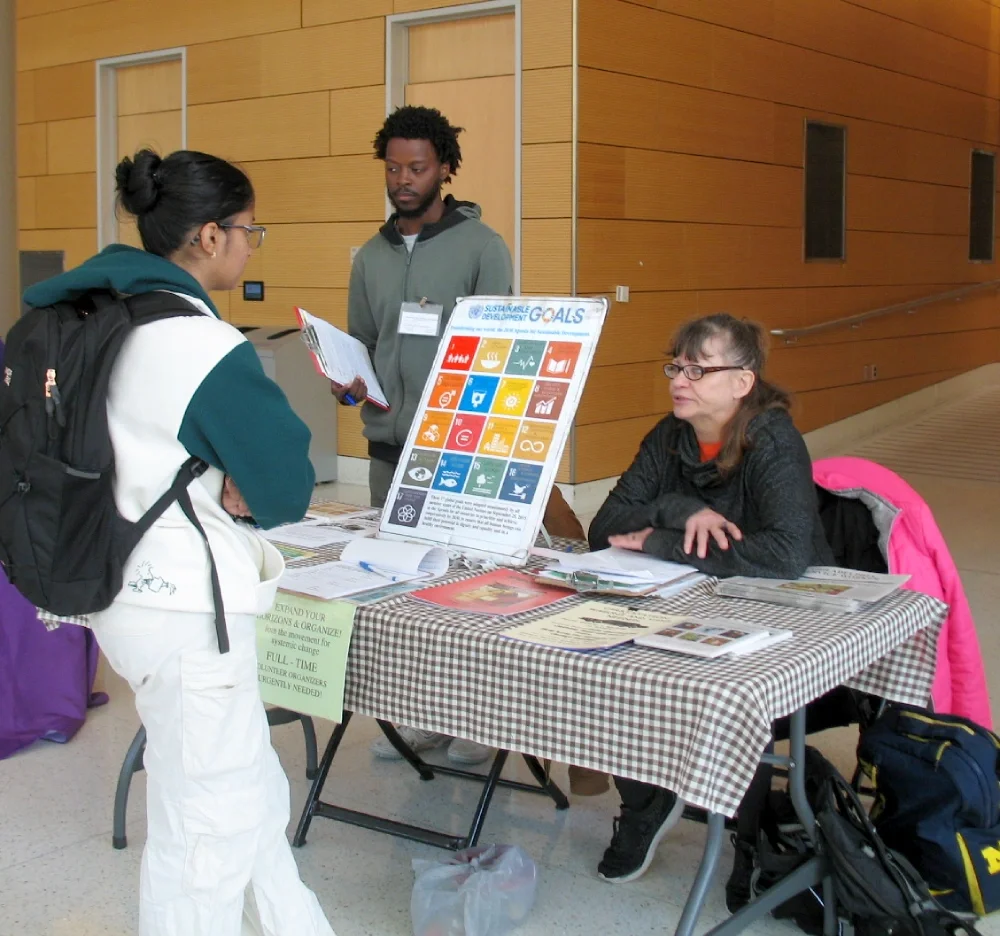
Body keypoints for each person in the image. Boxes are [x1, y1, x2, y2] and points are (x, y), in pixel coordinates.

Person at [21, 149, 336, 936]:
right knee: (206, 831)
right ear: (206, 235)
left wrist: (229, 470)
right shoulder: (200, 346)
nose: (248, 244)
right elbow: (286, 487)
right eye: (246, 230)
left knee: (239, 786)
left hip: (114, 581)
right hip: (187, 606)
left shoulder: (87, 311)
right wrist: (239, 476)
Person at [587, 313, 834, 896]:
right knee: (611, 666)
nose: (681, 379)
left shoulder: (772, 439)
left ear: (741, 382)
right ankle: (646, 804)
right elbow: (604, 526)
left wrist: (662, 541)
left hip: (773, 609)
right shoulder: (669, 435)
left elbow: (785, 555)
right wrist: (678, 510)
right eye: (677, 365)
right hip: (682, 597)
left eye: (700, 369)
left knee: (734, 698)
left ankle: (747, 842)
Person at [330, 105, 513, 767]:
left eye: (418, 167)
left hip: (457, 451)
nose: (404, 180)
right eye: (394, 167)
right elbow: (364, 342)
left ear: (444, 168)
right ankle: (423, 718)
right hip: (387, 449)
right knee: (402, 593)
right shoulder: (370, 256)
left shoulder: (483, 248)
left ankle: (480, 727)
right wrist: (347, 379)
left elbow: (499, 350)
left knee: (463, 593)